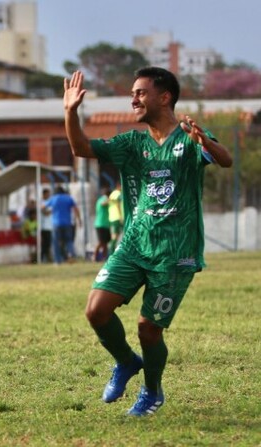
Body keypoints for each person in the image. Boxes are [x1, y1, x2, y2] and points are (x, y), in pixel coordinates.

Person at [63, 67, 233, 416]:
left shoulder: (188, 136)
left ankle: (152, 391)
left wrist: (206, 142)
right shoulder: (130, 143)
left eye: (140, 92)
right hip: (134, 245)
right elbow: (80, 148)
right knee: (96, 310)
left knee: (148, 328)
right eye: (133, 92)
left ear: (164, 96)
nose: (133, 99)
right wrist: (70, 112)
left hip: (175, 252)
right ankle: (126, 363)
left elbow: (225, 159)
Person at [44, 185, 81, 264]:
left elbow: (43, 207)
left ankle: (57, 260)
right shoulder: (68, 198)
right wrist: (79, 220)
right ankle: (71, 254)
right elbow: (76, 209)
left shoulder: (54, 198)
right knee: (69, 241)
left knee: (56, 242)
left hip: (56, 224)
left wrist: (47, 213)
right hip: (67, 223)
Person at [93, 186, 111, 262]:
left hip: (106, 224)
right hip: (100, 224)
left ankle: (104, 257)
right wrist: (111, 200)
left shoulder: (104, 199)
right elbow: (103, 203)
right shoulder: (102, 199)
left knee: (105, 242)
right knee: (101, 242)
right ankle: (94, 256)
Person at [108, 183, 123, 255]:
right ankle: (111, 254)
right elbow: (118, 205)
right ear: (119, 186)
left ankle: (111, 253)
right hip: (117, 217)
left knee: (114, 237)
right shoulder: (118, 194)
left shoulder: (112, 194)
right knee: (115, 237)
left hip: (112, 218)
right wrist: (121, 217)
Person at [40, 188, 53, 263]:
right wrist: (52, 211)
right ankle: (42, 259)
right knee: (44, 244)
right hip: (43, 227)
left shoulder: (49, 202)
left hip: (49, 227)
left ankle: (47, 259)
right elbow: (45, 213)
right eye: (47, 194)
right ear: (44, 194)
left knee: (48, 244)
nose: (49, 195)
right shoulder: (42, 202)